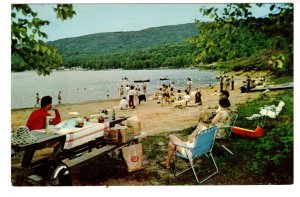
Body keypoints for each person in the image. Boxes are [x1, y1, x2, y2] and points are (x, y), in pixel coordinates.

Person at [161, 98, 233, 169]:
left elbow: (189, 138)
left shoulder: (201, 128)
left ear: (200, 120)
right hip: (203, 149)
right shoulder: (211, 130)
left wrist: (197, 128)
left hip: (191, 151)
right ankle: (168, 160)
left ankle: (167, 162)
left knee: (171, 138)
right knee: (173, 144)